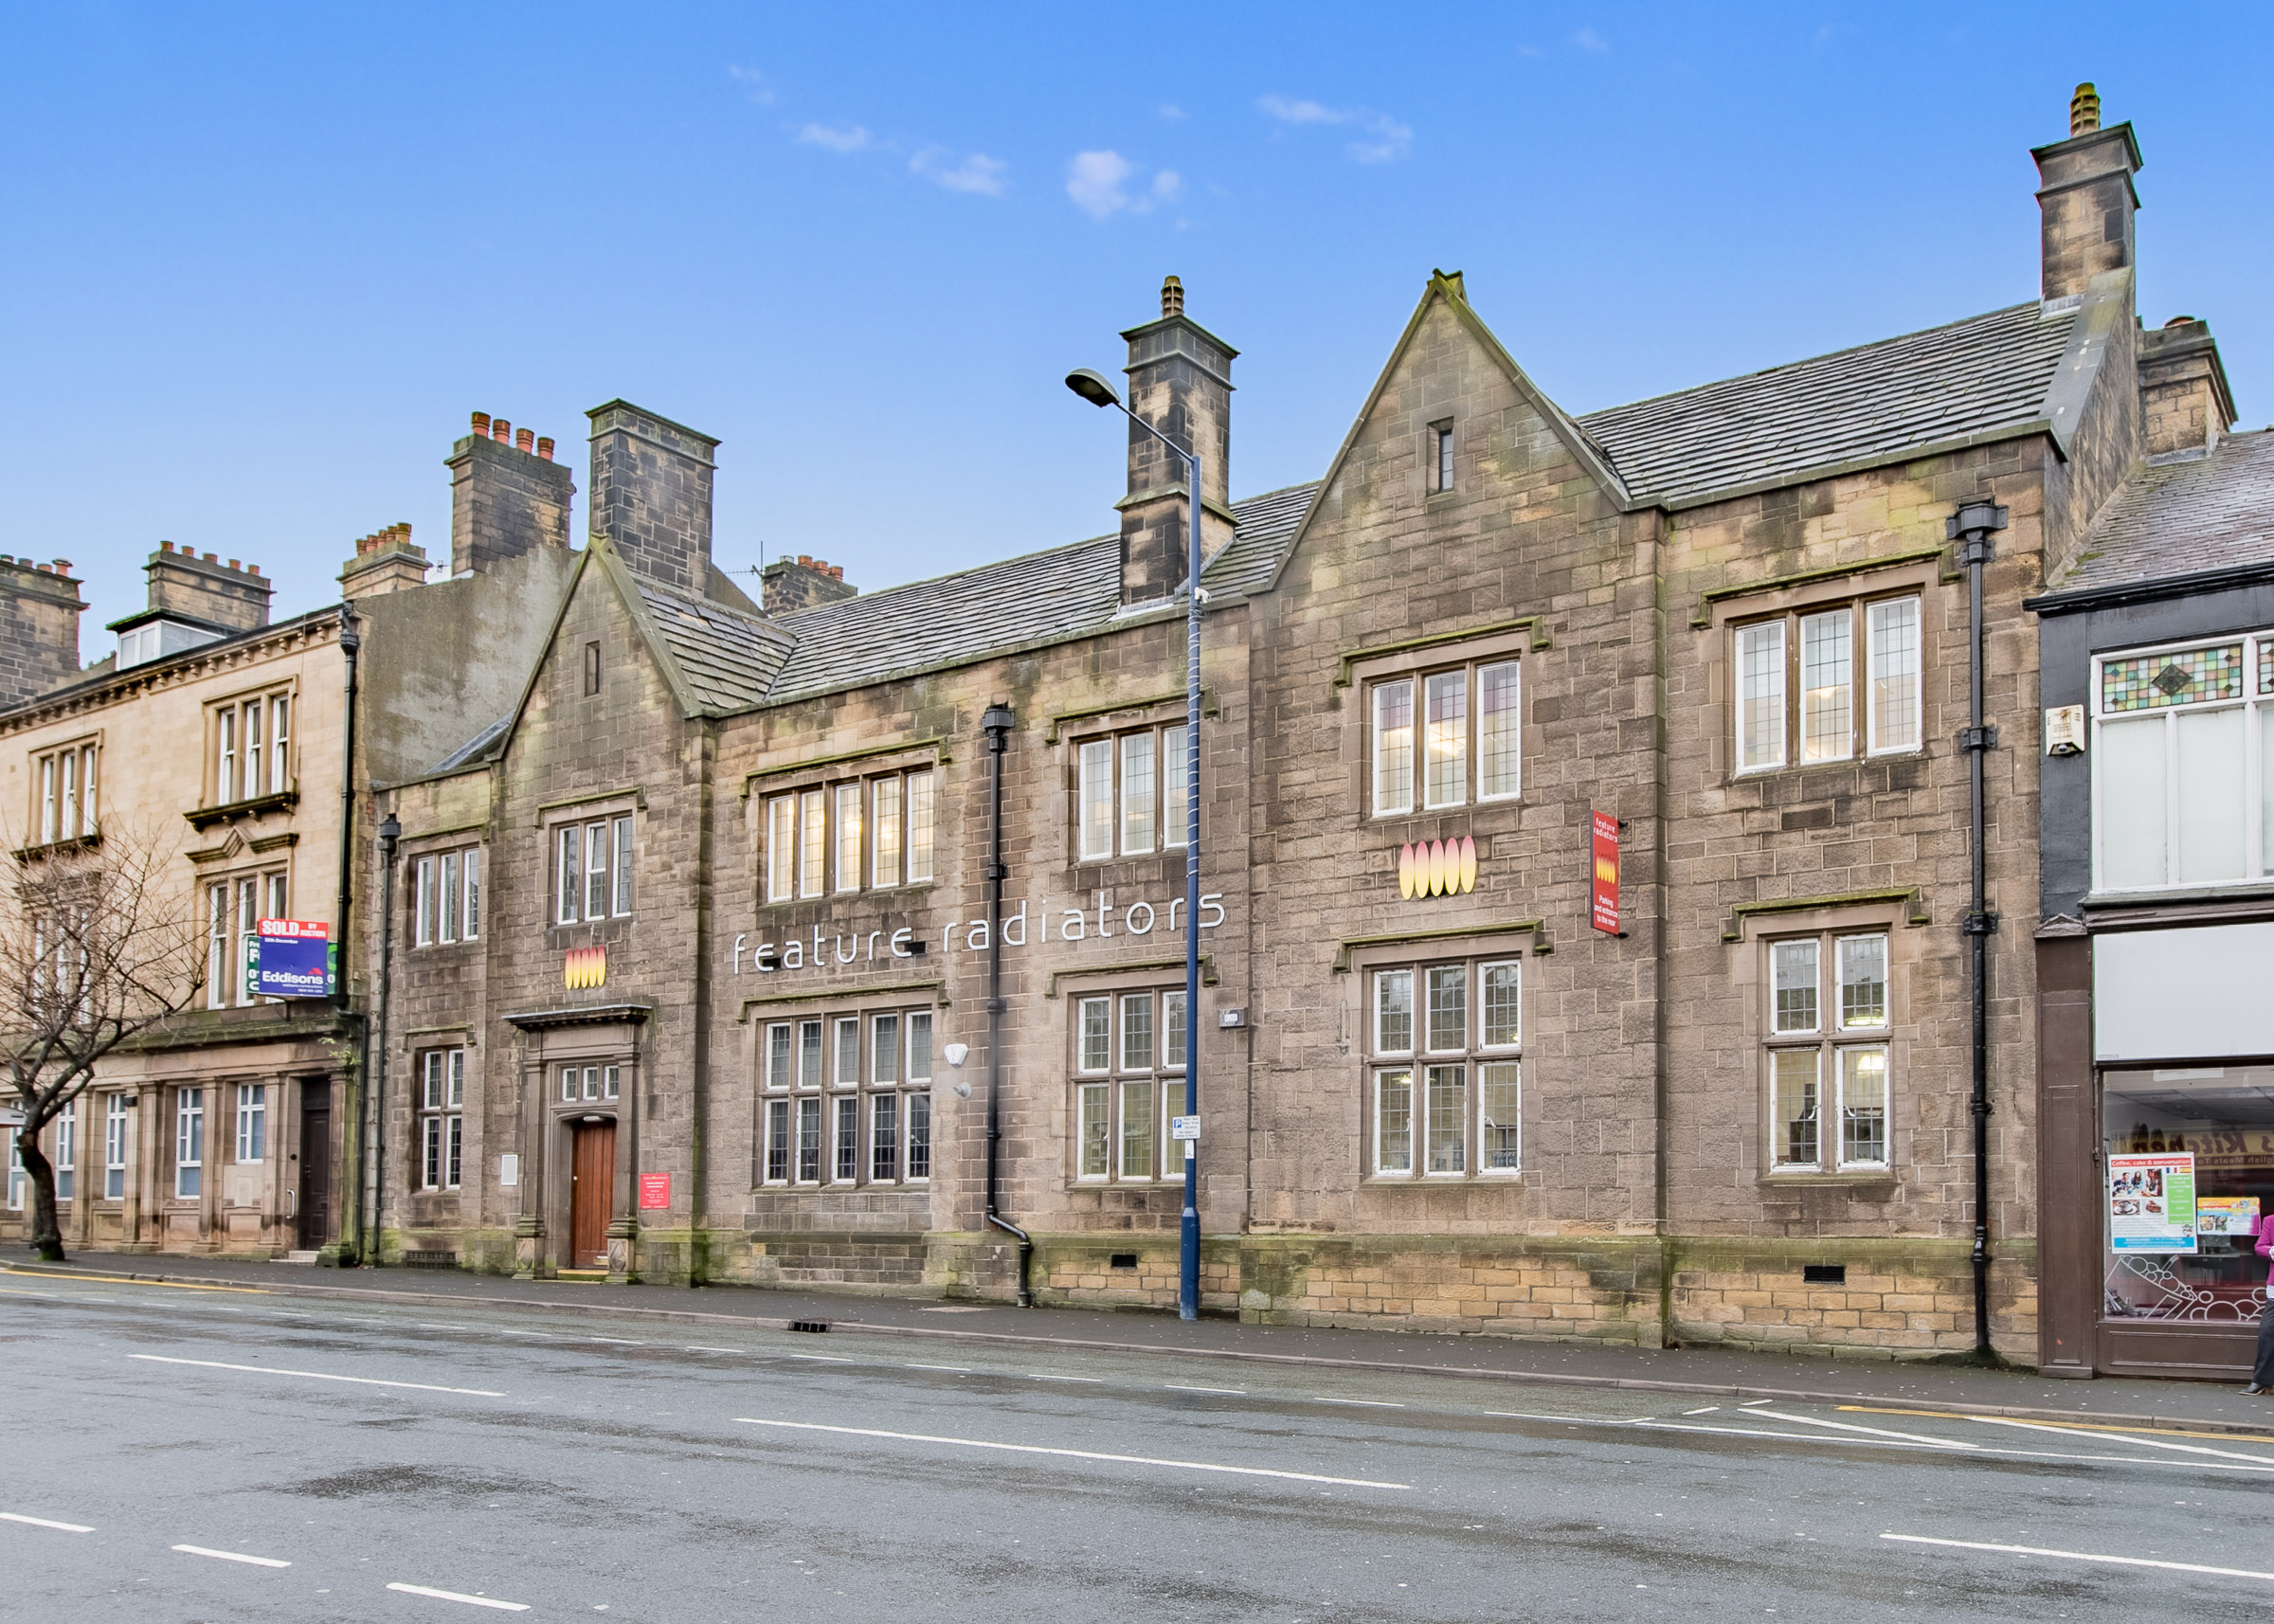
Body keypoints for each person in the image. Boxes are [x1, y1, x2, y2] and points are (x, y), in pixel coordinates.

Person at [2248, 1222, 2274, 1395]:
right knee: (2267, 1331)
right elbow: (2260, 1247)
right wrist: (2272, 1251)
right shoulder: (2271, 1220)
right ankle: (2261, 1381)